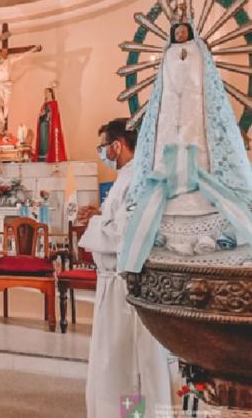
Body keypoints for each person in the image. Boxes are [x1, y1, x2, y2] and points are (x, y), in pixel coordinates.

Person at [120, 19, 252, 271]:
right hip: (171, 110)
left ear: (189, 32)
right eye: (176, 31)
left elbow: (203, 81)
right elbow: (164, 85)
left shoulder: (198, 52)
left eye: (183, 31)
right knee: (168, 134)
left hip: (195, 105)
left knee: (198, 137)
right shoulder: (168, 54)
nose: (180, 34)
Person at [79, 119, 173, 418]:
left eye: (103, 146)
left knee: (127, 364)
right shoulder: (127, 176)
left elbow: (127, 235)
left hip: (126, 285)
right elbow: (121, 218)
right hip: (114, 283)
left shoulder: (139, 178)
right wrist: (100, 214)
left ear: (117, 145)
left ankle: (131, 415)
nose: (102, 152)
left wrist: (96, 223)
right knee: (114, 361)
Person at [33, 87, 68, 163]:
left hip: (49, 125)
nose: (45, 93)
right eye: (44, 92)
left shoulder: (54, 103)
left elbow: (54, 116)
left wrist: (48, 115)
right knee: (42, 139)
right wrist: (41, 115)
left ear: (51, 93)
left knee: (47, 138)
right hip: (43, 124)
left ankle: (48, 154)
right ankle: (43, 154)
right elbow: (41, 114)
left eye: (47, 92)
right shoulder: (44, 104)